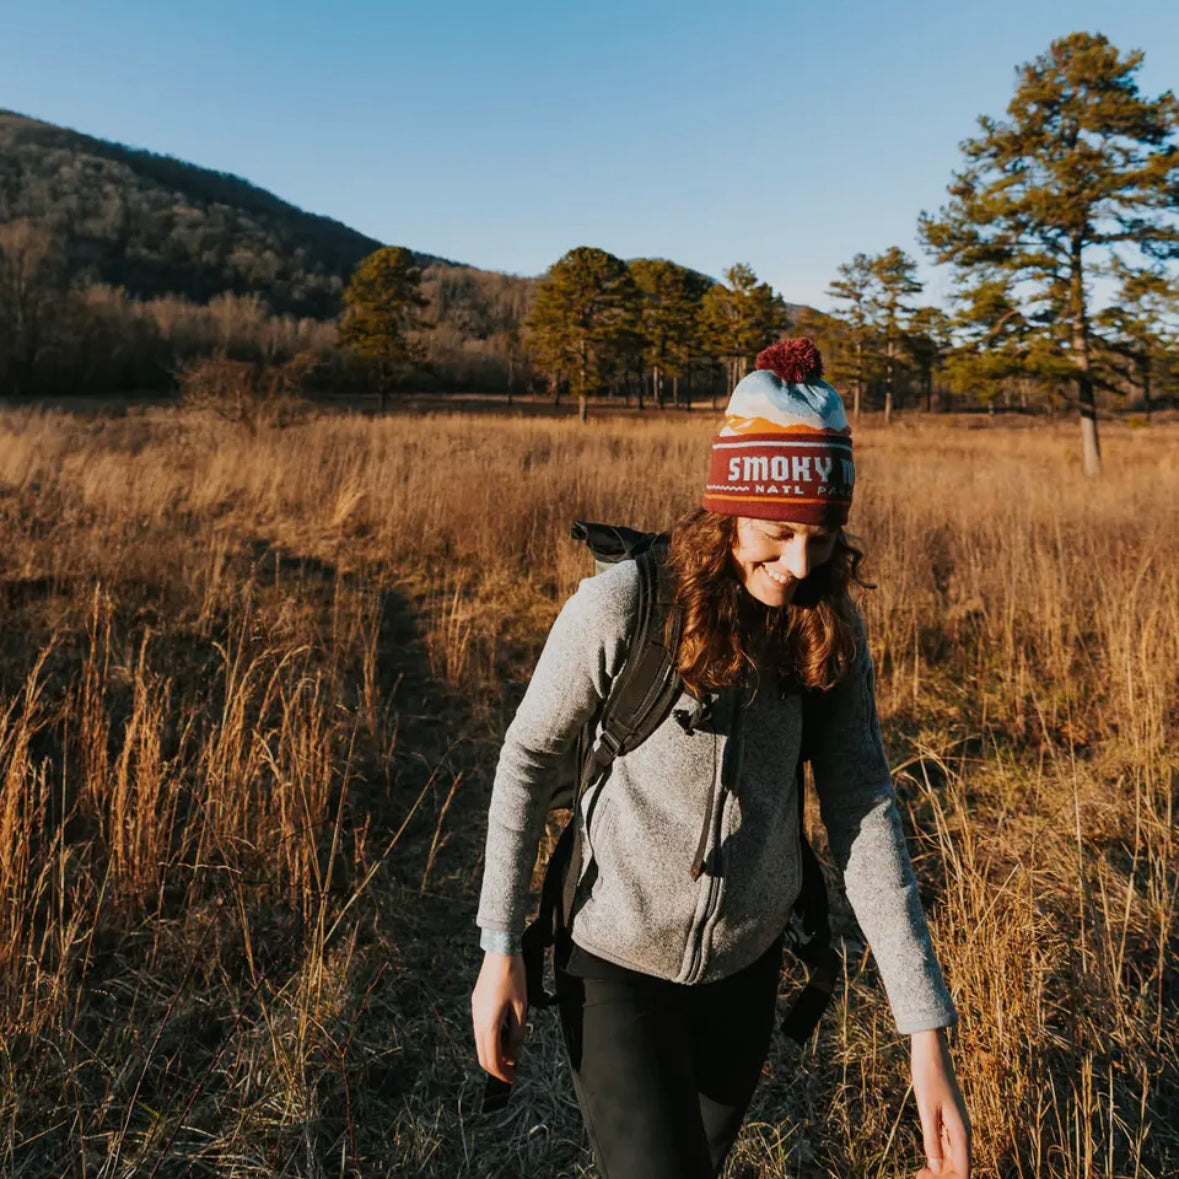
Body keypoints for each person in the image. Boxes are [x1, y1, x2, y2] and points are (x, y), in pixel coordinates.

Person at [471, 338, 971, 1179]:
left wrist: (925, 1037)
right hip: (615, 959)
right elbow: (526, 757)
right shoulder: (623, 605)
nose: (800, 563)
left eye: (821, 537)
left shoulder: (829, 623)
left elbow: (862, 807)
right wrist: (499, 946)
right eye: (777, 533)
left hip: (746, 969)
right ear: (728, 508)